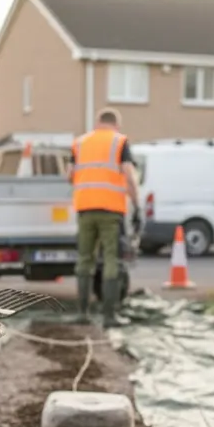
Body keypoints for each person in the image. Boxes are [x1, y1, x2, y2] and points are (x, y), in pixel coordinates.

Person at [69, 107, 141, 327]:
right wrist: (137, 205)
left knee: (84, 260)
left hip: (84, 208)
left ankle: (83, 313)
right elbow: (128, 175)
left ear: (97, 123)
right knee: (111, 259)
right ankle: (109, 316)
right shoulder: (119, 142)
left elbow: (69, 174)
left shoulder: (79, 143)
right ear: (116, 124)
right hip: (111, 210)